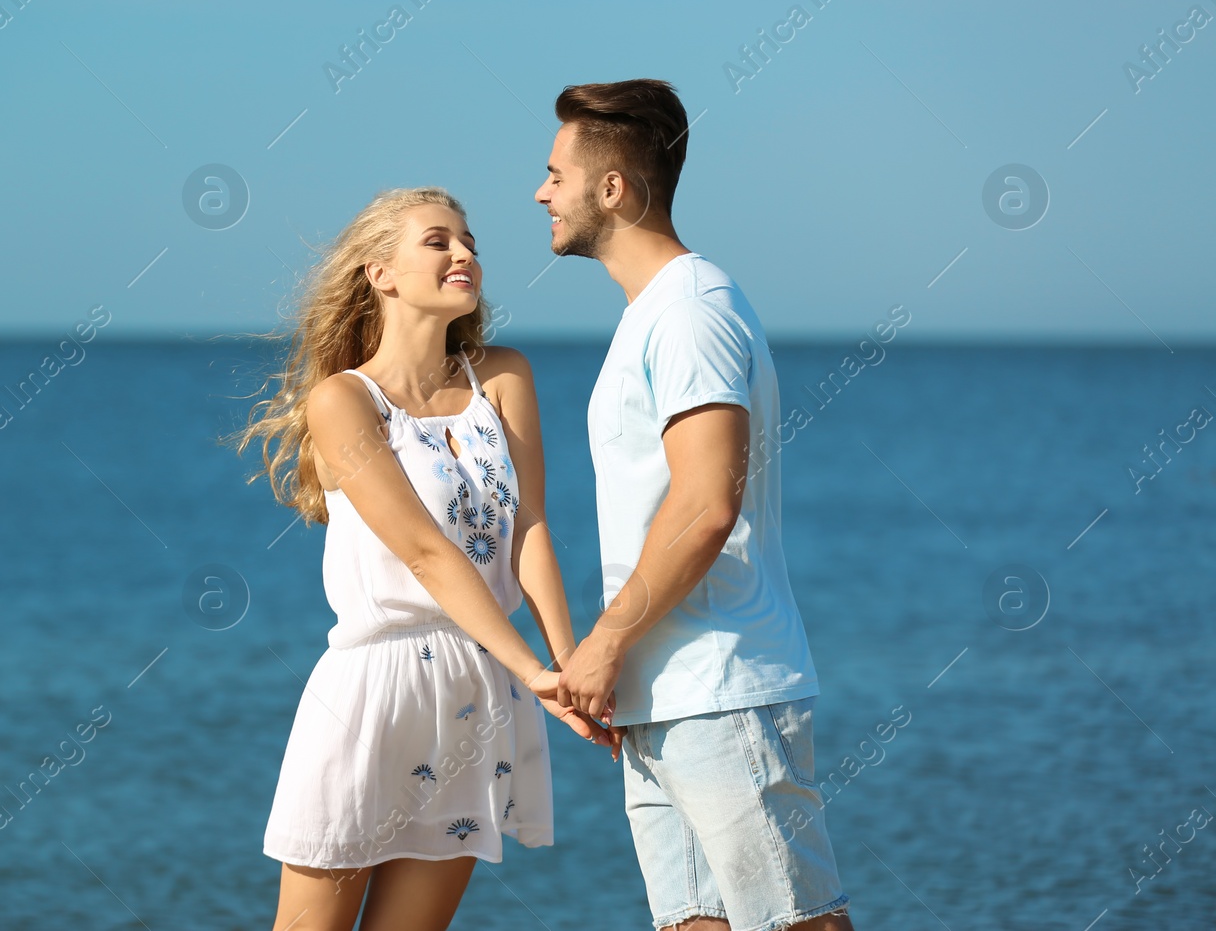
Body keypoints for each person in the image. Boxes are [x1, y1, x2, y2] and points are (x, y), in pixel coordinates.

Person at [234, 186, 610, 931]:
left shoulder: (501, 376)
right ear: (382, 272)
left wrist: (570, 668)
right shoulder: (344, 401)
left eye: (468, 240)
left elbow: (531, 525)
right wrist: (533, 669)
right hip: (376, 687)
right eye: (438, 241)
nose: (464, 252)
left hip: (481, 688)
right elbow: (424, 551)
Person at [542, 80, 855, 931]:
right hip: (658, 696)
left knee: (800, 924)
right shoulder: (651, 316)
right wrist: (616, 662)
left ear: (613, 189)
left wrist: (603, 641)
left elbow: (708, 500)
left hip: (721, 685)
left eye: (555, 173)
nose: (541, 193)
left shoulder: (690, 309)